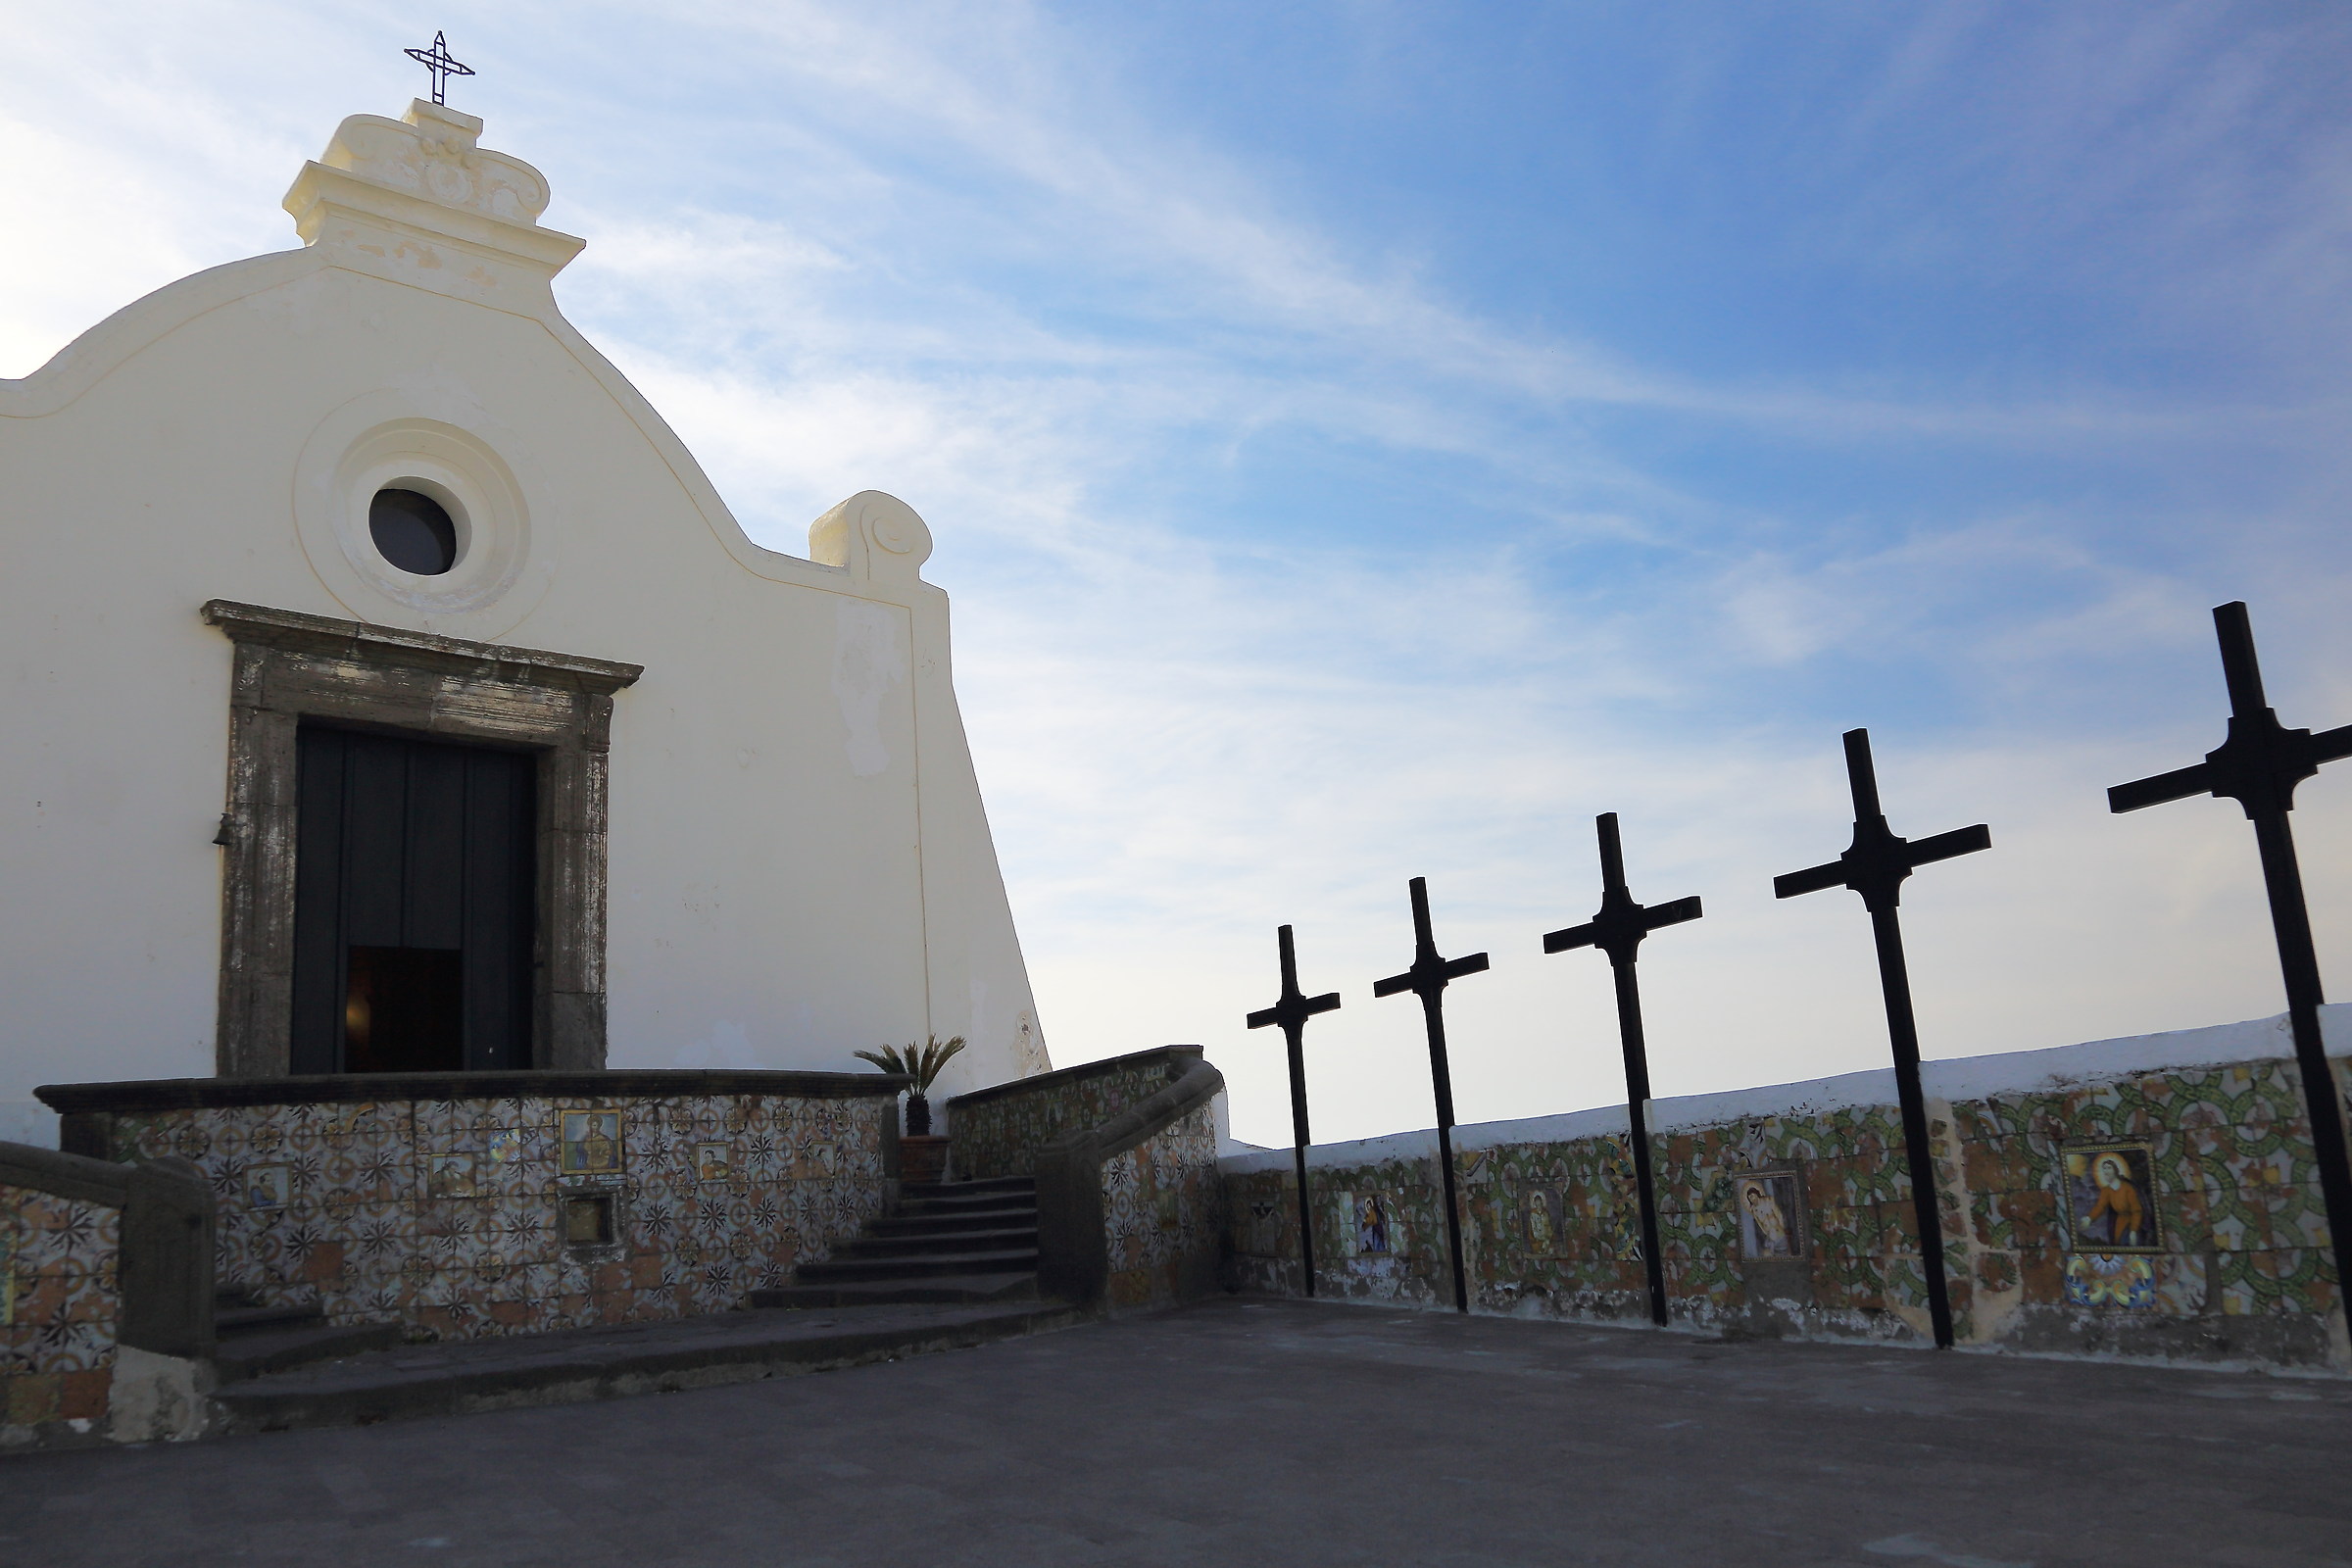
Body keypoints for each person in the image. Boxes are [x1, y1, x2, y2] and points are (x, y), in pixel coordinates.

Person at [2082, 1152, 2148, 1247]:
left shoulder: (2127, 1188)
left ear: (2115, 1170)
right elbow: (2100, 1206)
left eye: (2109, 1168)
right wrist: (2089, 1218)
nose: (2106, 1171)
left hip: (2133, 1221)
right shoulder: (2106, 1190)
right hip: (2119, 1222)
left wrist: (2133, 1230)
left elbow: (2136, 1211)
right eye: (2104, 1169)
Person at [1740, 1177, 1792, 1256]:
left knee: (1783, 1255)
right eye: (1750, 1198)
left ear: (1757, 1194)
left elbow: (1779, 1215)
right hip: (1770, 1238)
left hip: (1779, 1234)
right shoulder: (1754, 1211)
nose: (1752, 1199)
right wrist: (1767, 1234)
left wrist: (1781, 1229)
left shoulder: (1769, 1201)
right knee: (1767, 1255)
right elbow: (1760, 1225)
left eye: (1752, 1196)